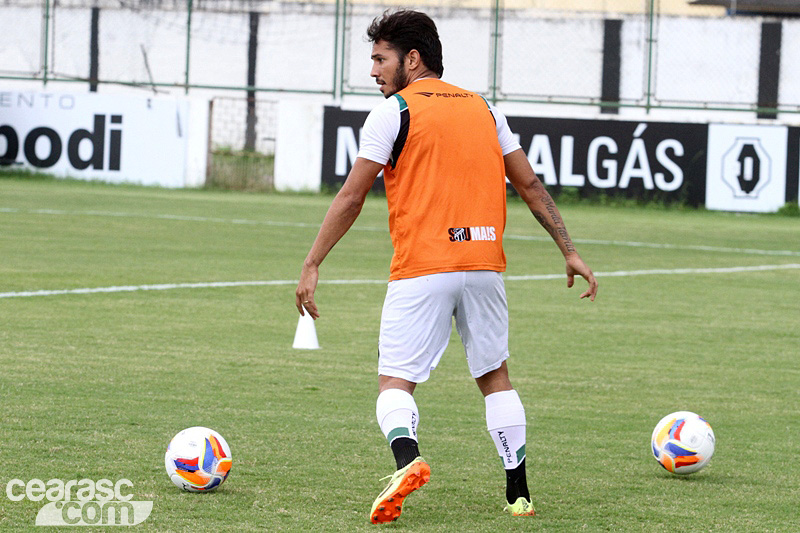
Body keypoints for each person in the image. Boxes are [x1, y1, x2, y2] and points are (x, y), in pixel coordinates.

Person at [295, 9, 598, 524]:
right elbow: (529, 185)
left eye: (380, 59)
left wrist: (312, 263)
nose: (373, 71)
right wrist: (567, 248)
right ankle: (518, 494)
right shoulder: (485, 109)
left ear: (411, 59)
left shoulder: (394, 112)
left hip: (424, 268)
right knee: (496, 377)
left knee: (395, 382)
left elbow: (351, 196)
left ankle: (407, 461)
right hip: (484, 265)